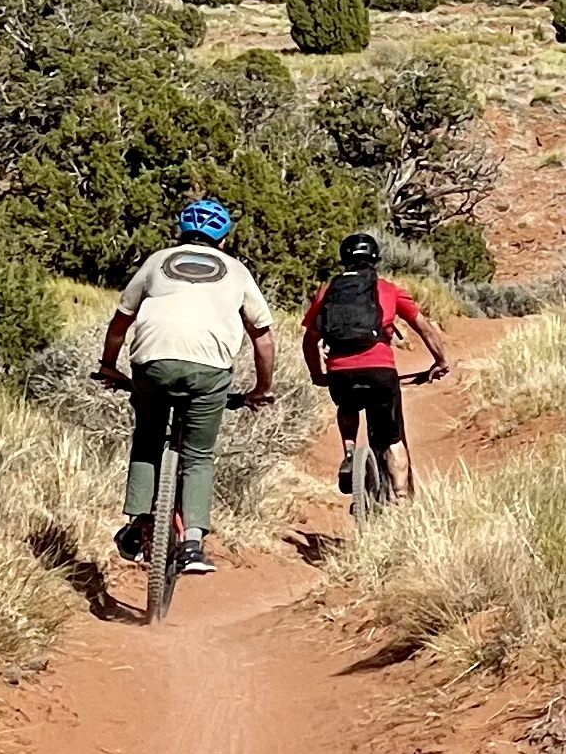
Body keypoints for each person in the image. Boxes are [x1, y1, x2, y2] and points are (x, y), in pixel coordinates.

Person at [94, 197, 279, 576]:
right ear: (224, 240)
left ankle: (138, 523)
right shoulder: (237, 271)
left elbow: (120, 321)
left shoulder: (158, 260)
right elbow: (263, 338)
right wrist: (262, 388)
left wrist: (109, 366)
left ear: (181, 233)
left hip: (152, 363)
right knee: (197, 456)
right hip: (209, 370)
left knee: (147, 440)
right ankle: (193, 543)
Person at [303, 228, 449, 500]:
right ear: (375, 259)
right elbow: (424, 328)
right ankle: (401, 498)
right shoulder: (388, 290)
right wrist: (440, 361)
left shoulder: (328, 291)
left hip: (340, 372)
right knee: (392, 439)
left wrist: (317, 373)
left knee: (346, 404)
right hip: (380, 370)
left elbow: (309, 340)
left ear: (343, 260)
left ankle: (349, 451)